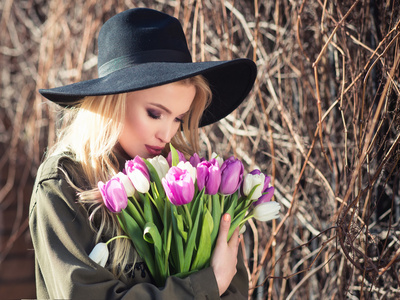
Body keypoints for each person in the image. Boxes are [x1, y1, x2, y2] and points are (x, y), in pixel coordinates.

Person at [29, 7, 257, 299]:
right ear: (111, 102)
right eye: (154, 113)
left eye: (178, 118)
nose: (167, 134)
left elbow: (233, 289)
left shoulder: (188, 180)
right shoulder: (65, 185)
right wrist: (207, 283)